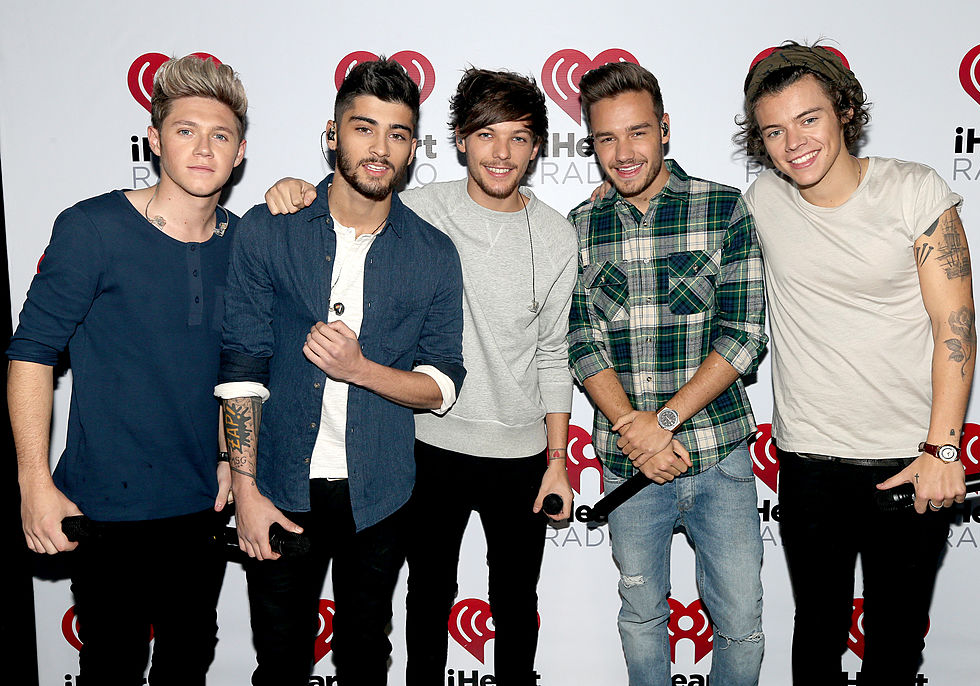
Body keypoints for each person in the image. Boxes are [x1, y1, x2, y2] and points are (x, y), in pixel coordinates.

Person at [264, 67, 577, 686]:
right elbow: (350, 202)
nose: (501, 153)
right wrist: (294, 189)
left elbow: (552, 352)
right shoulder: (419, 210)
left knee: (517, 601)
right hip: (430, 443)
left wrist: (557, 459)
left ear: (538, 147)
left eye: (518, 137)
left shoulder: (556, 235)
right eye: (486, 134)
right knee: (427, 597)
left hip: (520, 453)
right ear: (459, 140)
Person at [216, 57, 465, 686]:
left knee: (365, 656)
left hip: (379, 490)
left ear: (413, 149)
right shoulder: (269, 230)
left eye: (397, 134)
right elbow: (242, 366)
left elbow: (442, 384)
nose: (380, 148)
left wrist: (360, 369)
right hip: (278, 482)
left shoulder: (433, 253)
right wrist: (245, 490)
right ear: (332, 135)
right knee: (279, 660)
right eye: (363, 128)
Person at [737, 42, 974, 685]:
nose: (794, 143)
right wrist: (622, 190)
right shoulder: (762, 201)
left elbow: (955, 326)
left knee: (894, 647)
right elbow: (689, 213)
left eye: (808, 118)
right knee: (816, 640)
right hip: (809, 462)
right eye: (774, 131)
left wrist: (943, 449)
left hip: (909, 461)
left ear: (844, 110)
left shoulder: (914, 189)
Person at [9, 55, 246, 685]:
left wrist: (231, 457)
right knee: (112, 666)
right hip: (106, 506)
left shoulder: (243, 242)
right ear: (154, 140)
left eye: (220, 135)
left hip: (200, 503)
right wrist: (33, 481)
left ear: (240, 152)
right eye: (185, 130)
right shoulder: (92, 228)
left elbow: (238, 365)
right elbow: (31, 354)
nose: (203, 148)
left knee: (188, 660)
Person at [567, 62, 767, 685]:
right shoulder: (579, 226)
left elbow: (743, 335)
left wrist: (666, 422)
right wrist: (636, 429)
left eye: (638, 132)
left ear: (665, 129)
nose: (623, 153)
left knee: (740, 622)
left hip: (719, 455)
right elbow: (581, 341)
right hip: (629, 463)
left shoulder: (724, 208)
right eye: (606, 138)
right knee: (641, 617)